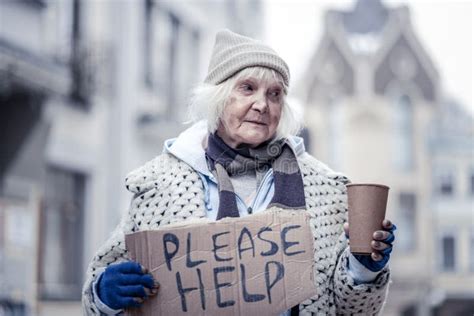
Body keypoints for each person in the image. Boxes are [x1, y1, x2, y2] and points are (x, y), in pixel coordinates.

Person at [82, 29, 396, 315]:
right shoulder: (158, 186)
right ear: (218, 97)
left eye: (275, 94)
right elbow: (98, 299)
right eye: (248, 88)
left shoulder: (327, 192)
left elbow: (354, 311)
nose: (262, 104)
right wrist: (104, 296)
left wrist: (363, 270)